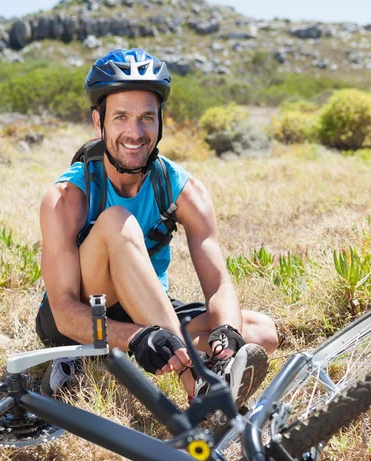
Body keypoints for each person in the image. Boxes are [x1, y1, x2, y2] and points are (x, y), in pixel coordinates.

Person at [36, 48, 278, 416]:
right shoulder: (67, 197)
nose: (135, 132)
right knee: (117, 222)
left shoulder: (183, 190)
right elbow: (64, 312)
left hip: (147, 310)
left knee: (259, 332)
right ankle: (198, 383)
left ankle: (188, 359)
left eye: (147, 117)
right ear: (98, 121)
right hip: (78, 317)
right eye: (121, 117)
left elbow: (218, 285)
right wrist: (136, 336)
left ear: (160, 120)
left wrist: (227, 333)